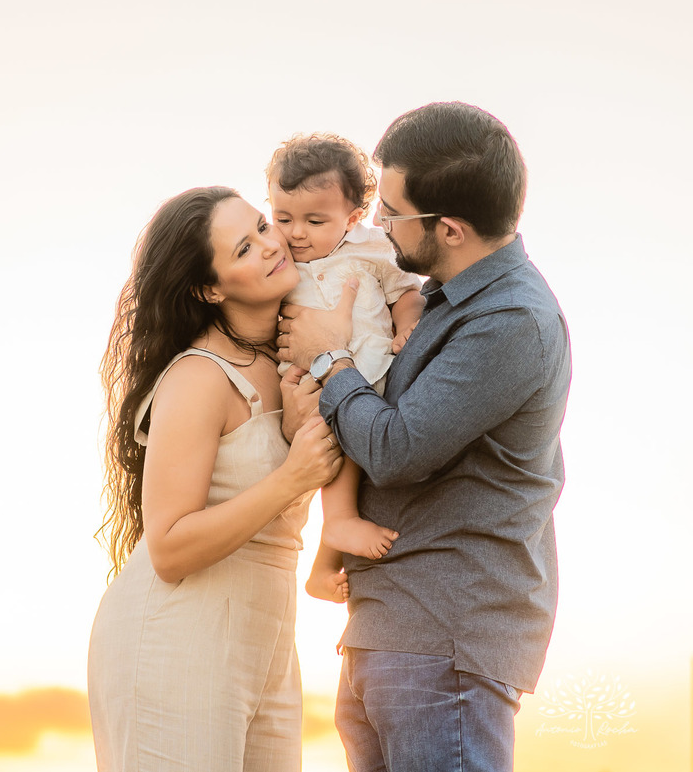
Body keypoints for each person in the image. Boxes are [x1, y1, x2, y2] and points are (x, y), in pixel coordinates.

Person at [278, 102, 571, 772]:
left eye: (390, 212)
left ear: (451, 228)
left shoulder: (510, 322)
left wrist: (330, 358)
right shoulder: (440, 295)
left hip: (445, 646)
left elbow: (396, 448)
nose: (377, 223)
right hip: (393, 634)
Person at [87, 186, 343, 772]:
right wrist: (291, 477)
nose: (273, 246)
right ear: (210, 288)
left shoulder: (293, 358)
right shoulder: (201, 377)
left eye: (263, 226)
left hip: (268, 638)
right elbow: (170, 548)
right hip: (178, 635)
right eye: (245, 249)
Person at [265, 133, 424, 588]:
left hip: (368, 366)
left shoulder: (372, 248)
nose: (296, 232)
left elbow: (406, 292)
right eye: (283, 217)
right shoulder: (277, 255)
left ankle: (325, 557)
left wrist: (408, 325)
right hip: (306, 379)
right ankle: (332, 535)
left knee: (354, 437)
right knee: (326, 441)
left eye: (315, 221)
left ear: (352, 218)